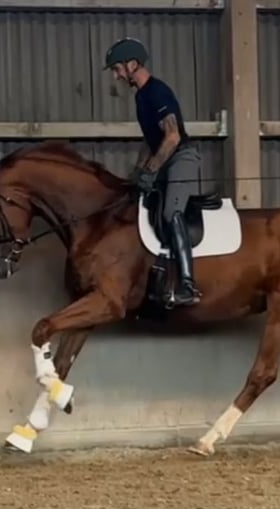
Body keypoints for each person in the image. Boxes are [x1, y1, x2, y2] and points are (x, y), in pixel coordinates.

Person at [103, 37, 203, 307]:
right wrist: (138, 174)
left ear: (132, 64)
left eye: (117, 69)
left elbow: (171, 137)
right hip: (163, 157)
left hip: (181, 156)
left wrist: (152, 170)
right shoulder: (141, 97)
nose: (116, 76)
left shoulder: (158, 91)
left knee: (172, 212)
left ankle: (187, 284)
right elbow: (151, 140)